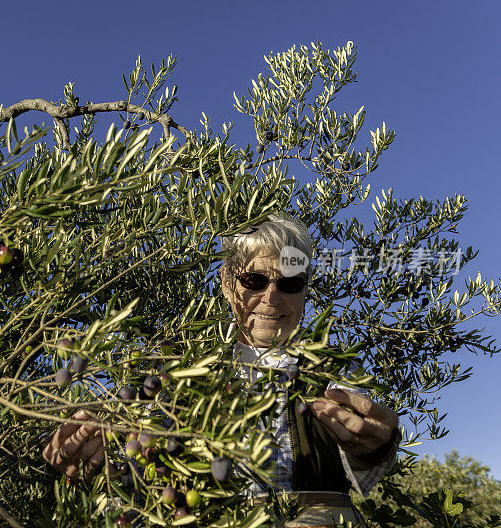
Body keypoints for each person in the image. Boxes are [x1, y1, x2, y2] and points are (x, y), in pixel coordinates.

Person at [42, 213, 400, 526]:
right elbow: (139, 465)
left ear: (305, 291)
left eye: (290, 283)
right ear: (229, 283)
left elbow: (365, 459)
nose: (272, 298)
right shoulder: (181, 368)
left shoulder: (332, 368)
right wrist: (88, 455)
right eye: (255, 280)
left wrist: (377, 445)